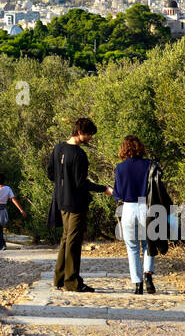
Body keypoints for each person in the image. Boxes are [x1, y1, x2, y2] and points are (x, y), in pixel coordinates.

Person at [46, 117, 112, 292]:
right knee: (73, 242)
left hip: (61, 201)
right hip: (76, 203)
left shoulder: (58, 148)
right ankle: (72, 282)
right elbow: (81, 183)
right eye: (89, 134)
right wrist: (103, 188)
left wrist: (63, 183)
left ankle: (59, 279)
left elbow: (50, 174)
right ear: (81, 133)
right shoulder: (79, 155)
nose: (91, 138)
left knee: (66, 240)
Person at [113, 135, 161, 295]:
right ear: (140, 147)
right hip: (146, 206)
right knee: (149, 244)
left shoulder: (120, 168)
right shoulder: (149, 165)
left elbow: (118, 194)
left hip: (128, 208)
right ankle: (148, 274)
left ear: (124, 149)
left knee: (132, 248)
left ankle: (138, 284)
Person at [0, 173, 27, 250]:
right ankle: (0, 244)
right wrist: (21, 210)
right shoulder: (8, 189)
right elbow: (13, 199)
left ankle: (3, 243)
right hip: (2, 212)